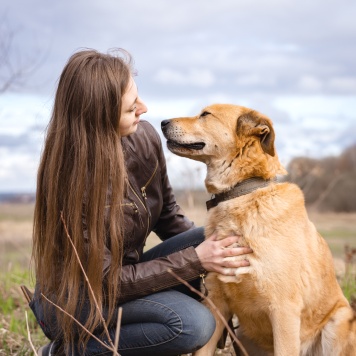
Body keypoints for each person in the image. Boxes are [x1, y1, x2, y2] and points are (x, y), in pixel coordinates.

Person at [30, 48, 253, 356]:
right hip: (78, 300)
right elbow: (107, 281)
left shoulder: (144, 136)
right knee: (192, 325)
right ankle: (65, 351)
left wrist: (211, 265)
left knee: (219, 237)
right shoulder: (72, 179)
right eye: (131, 108)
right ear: (100, 116)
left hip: (127, 275)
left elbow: (169, 216)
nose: (144, 109)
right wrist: (196, 261)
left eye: (138, 98)